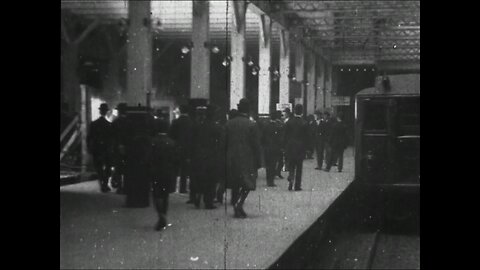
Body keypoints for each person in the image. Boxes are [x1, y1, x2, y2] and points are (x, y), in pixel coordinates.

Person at [225, 98, 262, 218]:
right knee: (248, 183)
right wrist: (259, 161)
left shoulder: (229, 123)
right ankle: (239, 204)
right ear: (249, 110)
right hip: (247, 158)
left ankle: (235, 202)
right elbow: (256, 145)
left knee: (235, 181)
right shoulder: (252, 125)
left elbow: (223, 143)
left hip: (231, 157)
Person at [190, 105, 222, 209]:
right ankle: (208, 202)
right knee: (211, 179)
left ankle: (198, 194)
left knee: (199, 177)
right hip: (211, 155)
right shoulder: (215, 127)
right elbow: (220, 141)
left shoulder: (197, 126)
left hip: (198, 154)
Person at [149, 119, 178, 231]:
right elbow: (176, 159)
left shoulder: (152, 142)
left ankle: (160, 215)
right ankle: (164, 215)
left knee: (156, 194)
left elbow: (149, 158)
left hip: (156, 171)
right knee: (165, 194)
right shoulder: (172, 142)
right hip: (168, 172)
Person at [87, 103, 113, 193]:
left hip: (96, 148)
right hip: (106, 148)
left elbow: (89, 137)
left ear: (100, 111)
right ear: (106, 112)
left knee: (98, 167)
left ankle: (102, 183)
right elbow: (111, 138)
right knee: (108, 167)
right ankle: (104, 184)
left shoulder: (94, 124)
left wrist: (89, 148)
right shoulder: (109, 124)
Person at [168, 105, 193, 198]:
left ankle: (172, 188)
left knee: (174, 168)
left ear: (180, 111)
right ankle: (183, 188)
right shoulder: (190, 122)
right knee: (184, 170)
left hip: (176, 148)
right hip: (186, 149)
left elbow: (170, 135)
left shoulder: (175, 122)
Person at [284, 104, 309, 191]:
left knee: (291, 165)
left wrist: (285, 147)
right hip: (300, 148)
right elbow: (307, 138)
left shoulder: (289, 122)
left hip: (290, 147)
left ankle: (291, 177)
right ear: (301, 112)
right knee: (299, 167)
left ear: (294, 111)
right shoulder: (304, 123)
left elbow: (285, 136)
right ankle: (297, 186)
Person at [261, 111, 283, 187]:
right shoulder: (278, 126)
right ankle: (271, 181)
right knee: (273, 164)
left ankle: (268, 180)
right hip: (275, 148)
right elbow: (279, 139)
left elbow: (262, 137)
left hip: (267, 148)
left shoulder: (265, 126)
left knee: (268, 165)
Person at [111, 103, 129, 194]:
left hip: (117, 147)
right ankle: (126, 186)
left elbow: (112, 136)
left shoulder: (115, 122)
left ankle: (119, 186)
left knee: (118, 167)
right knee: (127, 167)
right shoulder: (130, 122)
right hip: (128, 148)